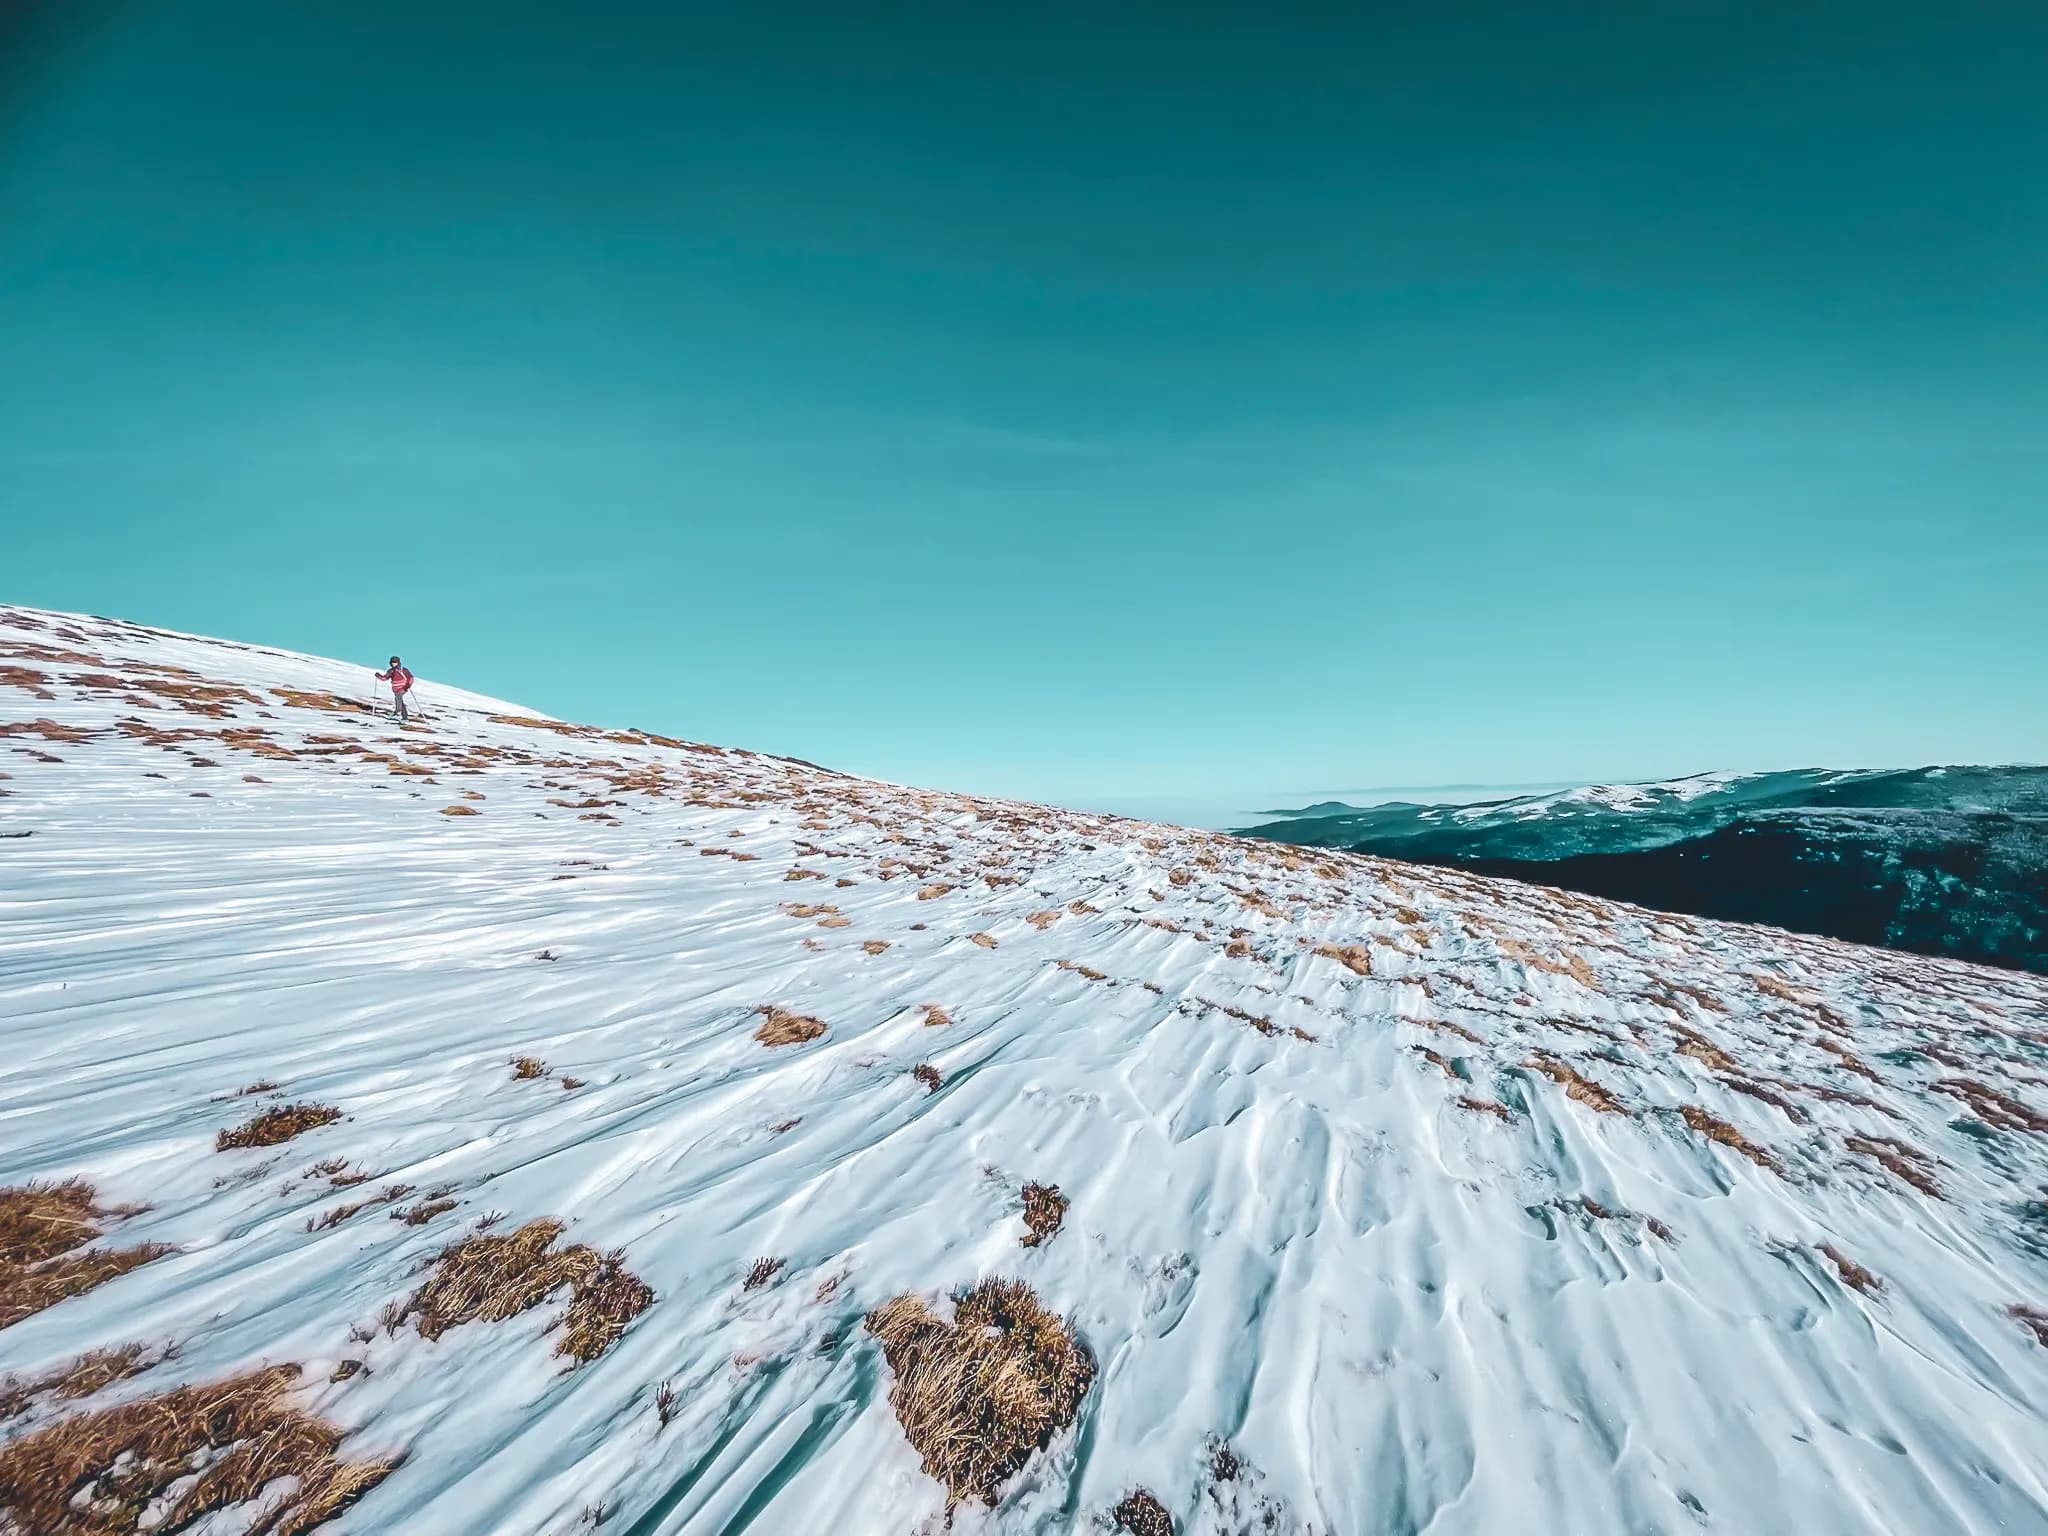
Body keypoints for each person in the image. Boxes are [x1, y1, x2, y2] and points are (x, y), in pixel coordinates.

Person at [375, 655, 416, 721]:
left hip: (403, 687)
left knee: (398, 696)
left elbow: (411, 678)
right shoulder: (390, 671)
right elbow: (384, 678)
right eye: (393, 663)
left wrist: (407, 686)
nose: (394, 664)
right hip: (395, 689)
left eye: (395, 663)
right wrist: (378, 676)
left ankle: (397, 712)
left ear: (398, 662)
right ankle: (404, 717)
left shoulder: (403, 670)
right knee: (400, 700)